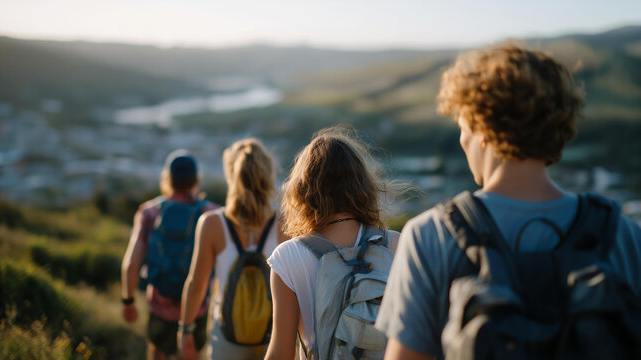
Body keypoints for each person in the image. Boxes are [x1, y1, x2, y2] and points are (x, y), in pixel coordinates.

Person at [375, 44, 641, 360]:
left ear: (482, 129)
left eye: (463, 127)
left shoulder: (430, 236)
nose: (462, 141)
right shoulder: (622, 234)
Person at [265, 127, 401, 360]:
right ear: (362, 184)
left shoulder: (288, 257)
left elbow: (281, 352)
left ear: (303, 190)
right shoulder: (395, 244)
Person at [179, 138, 287, 360]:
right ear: (268, 175)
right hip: (274, 335)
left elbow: (197, 285)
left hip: (227, 335)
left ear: (231, 175)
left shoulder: (212, 224)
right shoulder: (286, 224)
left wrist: (186, 328)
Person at [121, 149, 219, 360]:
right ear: (196, 180)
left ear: (167, 178)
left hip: (159, 304)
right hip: (196, 308)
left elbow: (131, 264)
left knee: (157, 351)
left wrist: (128, 301)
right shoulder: (211, 214)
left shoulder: (149, 212)